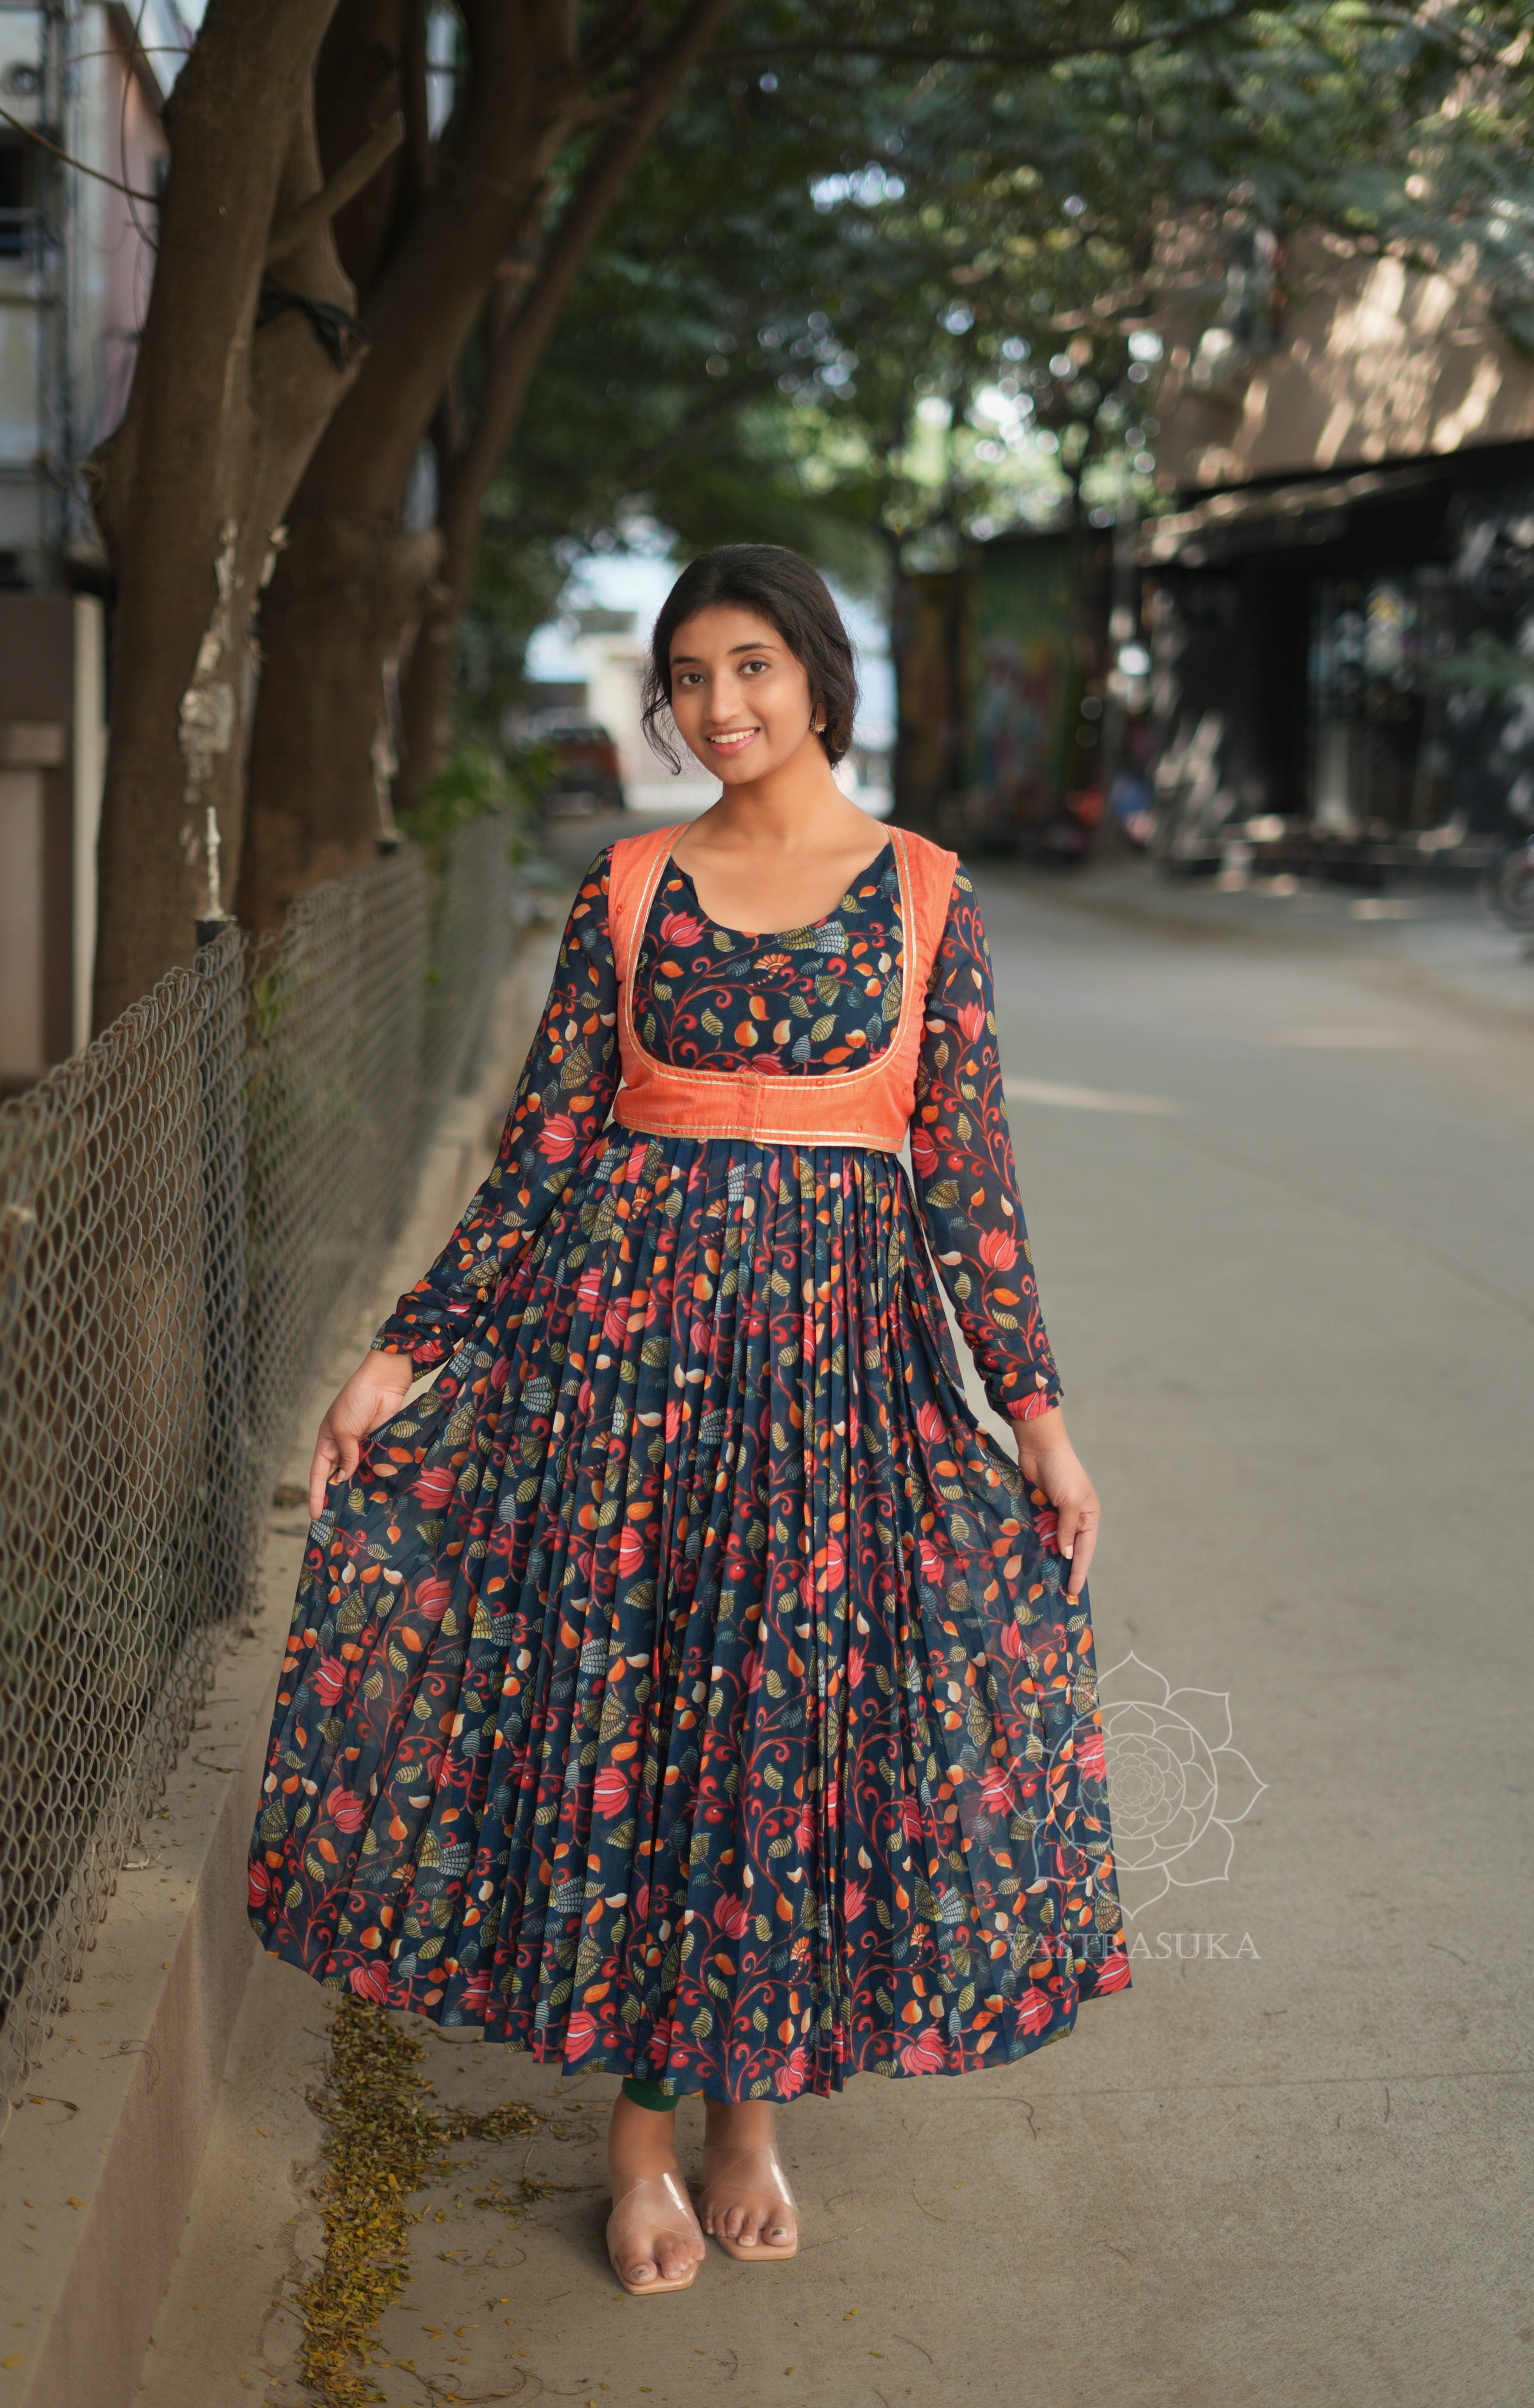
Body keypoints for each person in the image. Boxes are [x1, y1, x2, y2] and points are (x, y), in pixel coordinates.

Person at [248, 545, 1130, 2297]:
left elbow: (964, 1174)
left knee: (780, 1739)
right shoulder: (630, 887)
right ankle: (638, 2148)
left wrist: (1032, 1409)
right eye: (689, 679)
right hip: (621, 1379)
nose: (719, 708)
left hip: (839, 1393)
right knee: (644, 1728)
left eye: (751, 668)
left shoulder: (930, 896)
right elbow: (546, 1147)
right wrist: (408, 1351)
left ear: (817, 675)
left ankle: (748, 2123)